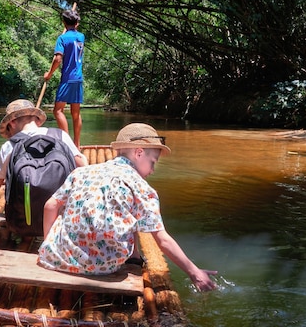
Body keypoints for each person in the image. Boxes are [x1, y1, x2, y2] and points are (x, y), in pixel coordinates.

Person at [38, 123, 218, 292]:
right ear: (139, 153)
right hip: (104, 267)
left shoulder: (81, 172)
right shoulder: (142, 188)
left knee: (64, 208)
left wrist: (49, 244)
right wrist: (194, 272)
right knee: (131, 214)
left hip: (57, 259)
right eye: (153, 163)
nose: (153, 170)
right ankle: (134, 255)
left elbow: (49, 206)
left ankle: (57, 247)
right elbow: (162, 240)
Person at [0, 99, 88, 227]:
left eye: (9, 130)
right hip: (62, 221)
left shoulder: (9, 146)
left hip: (22, 224)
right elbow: (83, 167)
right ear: (37, 120)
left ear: (12, 122)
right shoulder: (60, 135)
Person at [44, 9, 85, 147]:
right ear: (77, 23)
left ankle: (67, 144)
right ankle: (77, 144)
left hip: (67, 78)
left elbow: (58, 59)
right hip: (78, 78)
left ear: (63, 22)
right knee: (76, 113)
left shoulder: (62, 38)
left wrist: (49, 74)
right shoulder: (81, 37)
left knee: (57, 111)